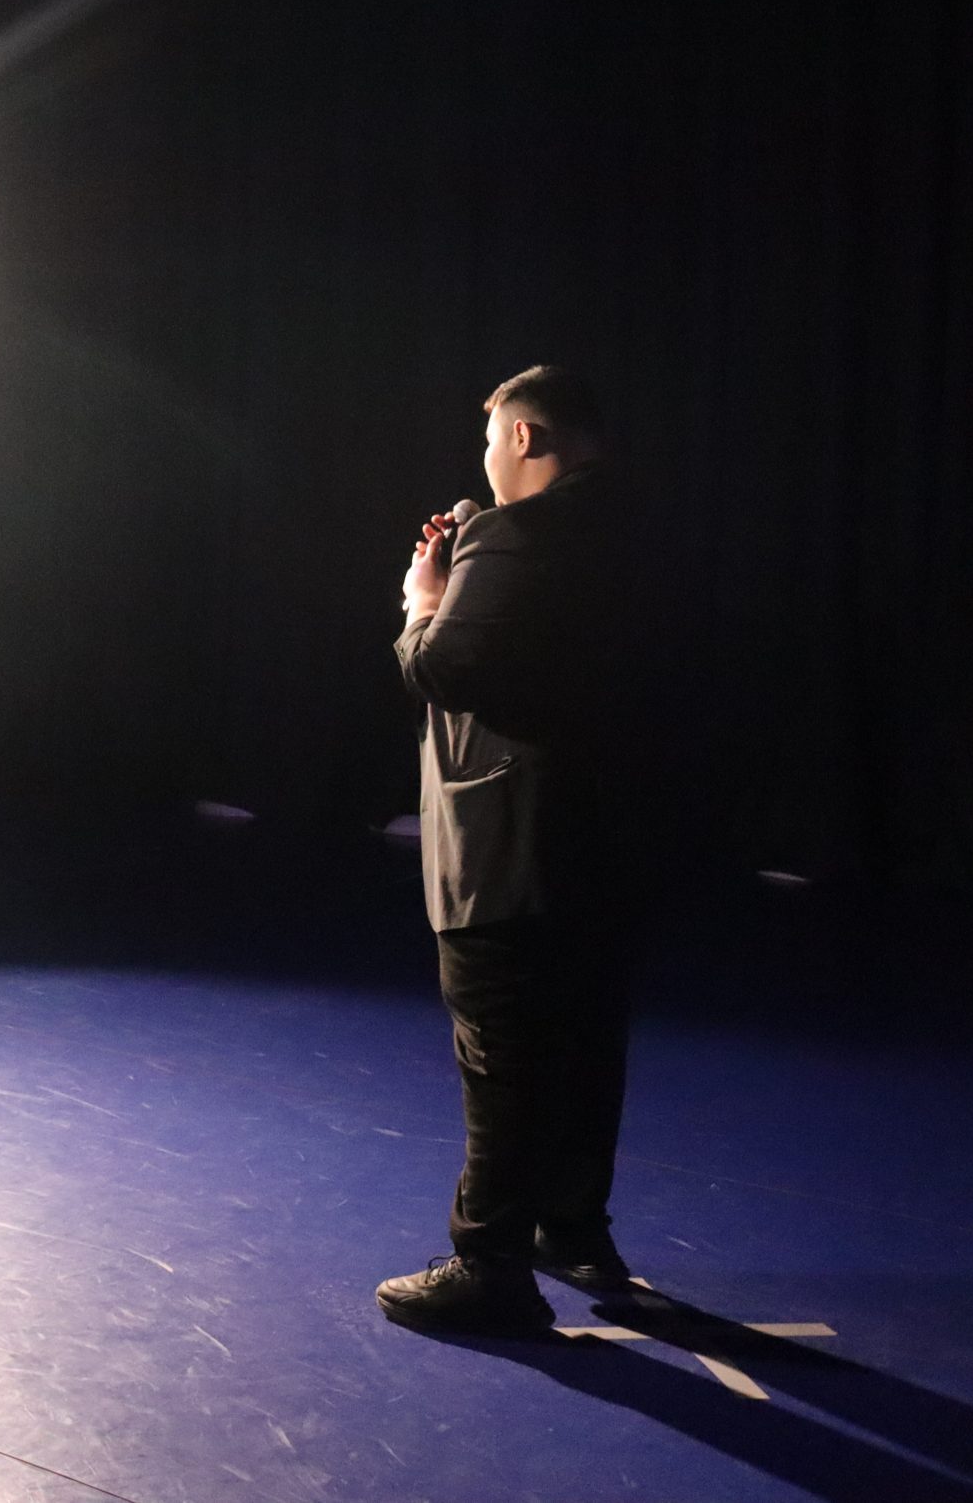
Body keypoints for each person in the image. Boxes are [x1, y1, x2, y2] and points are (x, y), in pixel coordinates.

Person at [376, 365, 636, 1336]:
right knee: (585, 1042)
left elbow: (442, 667)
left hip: (510, 849)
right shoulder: (647, 536)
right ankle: (574, 1230)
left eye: (491, 441)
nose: (486, 462)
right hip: (616, 842)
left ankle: (490, 1266)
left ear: (524, 437)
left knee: (503, 1053)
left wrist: (423, 599)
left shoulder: (513, 532)